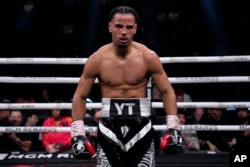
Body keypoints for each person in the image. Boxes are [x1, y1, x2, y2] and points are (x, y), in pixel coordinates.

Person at [71, 6, 182, 167]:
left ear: (135, 28)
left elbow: (166, 91)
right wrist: (77, 134)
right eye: (119, 26)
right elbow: (80, 96)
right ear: (110, 27)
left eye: (129, 27)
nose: (124, 32)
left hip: (141, 127)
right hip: (109, 128)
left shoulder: (148, 57)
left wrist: (173, 127)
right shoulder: (97, 59)